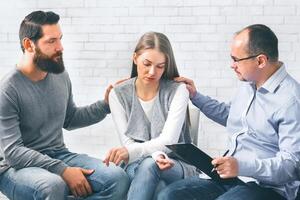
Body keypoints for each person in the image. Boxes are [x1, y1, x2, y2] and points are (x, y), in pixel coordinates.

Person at [157, 24, 300, 200]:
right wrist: (196, 96)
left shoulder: (291, 101)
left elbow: (290, 166)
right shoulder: (249, 83)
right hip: (233, 178)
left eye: (236, 59)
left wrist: (241, 166)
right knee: (169, 195)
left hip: (269, 188)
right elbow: (230, 115)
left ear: (260, 61)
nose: (232, 65)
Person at [0, 10, 129, 200]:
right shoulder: (8, 90)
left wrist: (105, 105)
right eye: (51, 41)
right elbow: (13, 152)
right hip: (15, 168)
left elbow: (69, 118)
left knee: (117, 178)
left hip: (58, 154)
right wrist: (63, 170)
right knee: (53, 185)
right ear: (29, 45)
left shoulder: (59, 74)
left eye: (60, 39)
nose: (60, 47)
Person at [103, 32, 198, 200]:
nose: (152, 72)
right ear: (135, 58)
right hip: (137, 164)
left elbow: (168, 141)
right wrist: (155, 154)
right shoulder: (118, 94)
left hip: (176, 164)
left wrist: (155, 156)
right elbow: (127, 143)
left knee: (150, 165)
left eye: (160, 66)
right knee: (158, 184)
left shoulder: (178, 90)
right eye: (146, 64)